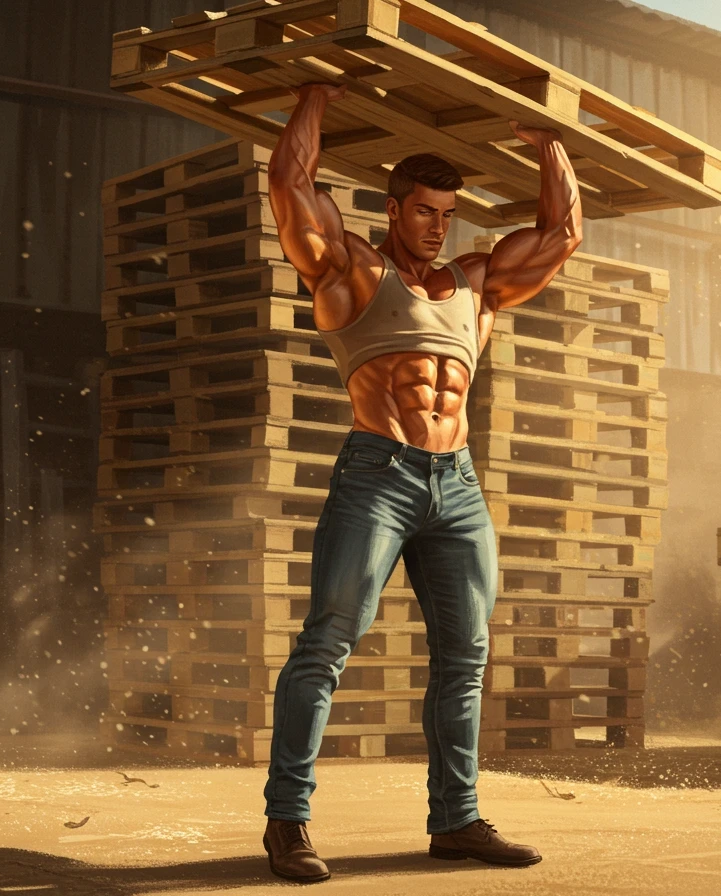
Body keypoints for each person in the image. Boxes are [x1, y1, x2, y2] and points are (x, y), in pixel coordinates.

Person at [261, 82, 583, 883]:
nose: (439, 228)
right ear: (394, 208)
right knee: (327, 643)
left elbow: (561, 231)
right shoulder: (351, 270)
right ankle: (288, 823)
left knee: (465, 658)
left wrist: (548, 143)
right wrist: (317, 93)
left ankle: (458, 821)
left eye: (449, 214)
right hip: (379, 472)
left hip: (459, 486)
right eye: (425, 212)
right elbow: (290, 185)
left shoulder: (479, 284)